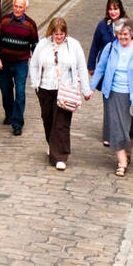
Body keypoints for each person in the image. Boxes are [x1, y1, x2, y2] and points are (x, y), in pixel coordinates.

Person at [89, 20, 133, 176]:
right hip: (114, 94)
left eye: (125, 34)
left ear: (131, 34)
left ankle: (127, 151)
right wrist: (91, 87)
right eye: (119, 34)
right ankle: (122, 162)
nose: (122, 37)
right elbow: (100, 68)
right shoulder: (110, 48)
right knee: (118, 128)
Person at [29, 17, 92, 169]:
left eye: (61, 34)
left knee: (62, 123)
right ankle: (52, 144)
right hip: (45, 87)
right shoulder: (43, 45)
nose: (59, 37)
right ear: (51, 33)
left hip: (66, 88)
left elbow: (81, 68)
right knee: (48, 119)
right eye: (56, 34)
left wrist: (86, 89)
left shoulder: (73, 45)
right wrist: (35, 83)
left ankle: (60, 157)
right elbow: (34, 65)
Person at [0, 0, 38, 136]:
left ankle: (17, 123)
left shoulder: (30, 25)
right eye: (16, 6)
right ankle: (9, 113)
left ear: (25, 8)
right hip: (4, 62)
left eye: (20, 7)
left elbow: (35, 45)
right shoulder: (4, 21)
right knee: (6, 91)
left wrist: (37, 62)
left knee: (21, 92)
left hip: (21, 63)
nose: (17, 9)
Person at [86, 0, 133, 74]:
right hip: (105, 66)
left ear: (120, 10)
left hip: (123, 65)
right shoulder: (102, 25)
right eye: (110, 9)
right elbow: (95, 46)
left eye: (115, 9)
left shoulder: (129, 24)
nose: (113, 12)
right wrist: (91, 66)